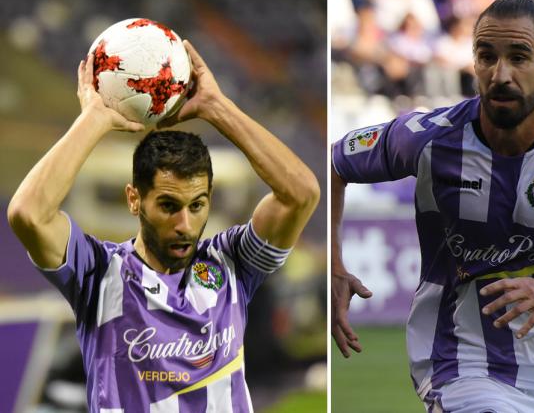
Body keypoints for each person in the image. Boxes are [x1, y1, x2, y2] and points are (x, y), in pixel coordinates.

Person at [331, 0, 534, 413]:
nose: (500, 74)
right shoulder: (430, 138)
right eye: (487, 56)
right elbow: (336, 161)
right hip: (463, 366)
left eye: (519, 58)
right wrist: (334, 265)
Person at [7, 40, 320, 412]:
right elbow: (28, 214)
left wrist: (217, 108)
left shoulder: (233, 264)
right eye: (169, 206)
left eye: (197, 205)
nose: (185, 224)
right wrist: (93, 119)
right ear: (134, 199)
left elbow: (301, 194)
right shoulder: (98, 272)